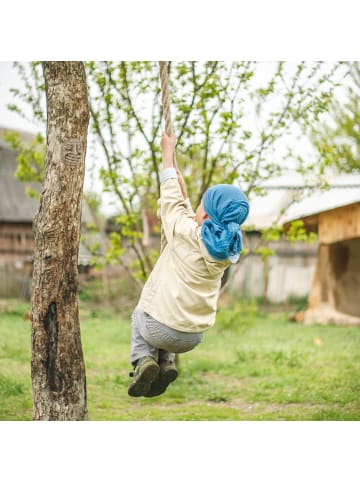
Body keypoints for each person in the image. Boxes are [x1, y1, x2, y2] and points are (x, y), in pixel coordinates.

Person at [128, 132, 250, 397]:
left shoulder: (186, 233)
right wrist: (184, 194)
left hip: (159, 330)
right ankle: (166, 363)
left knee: (141, 313)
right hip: (193, 337)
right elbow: (185, 216)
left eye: (199, 205)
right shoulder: (227, 249)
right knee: (174, 311)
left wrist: (167, 154)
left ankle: (143, 360)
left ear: (204, 213)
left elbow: (172, 205)